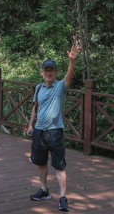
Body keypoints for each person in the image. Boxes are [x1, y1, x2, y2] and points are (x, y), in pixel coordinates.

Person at [26, 40, 81, 212]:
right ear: (42, 73)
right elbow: (35, 107)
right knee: (40, 162)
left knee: (59, 165)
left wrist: (72, 61)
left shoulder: (59, 87)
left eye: (51, 70)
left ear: (56, 72)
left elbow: (70, 76)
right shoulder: (38, 87)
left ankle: (63, 197)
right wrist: (30, 125)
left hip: (55, 131)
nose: (48, 73)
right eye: (46, 70)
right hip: (39, 131)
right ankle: (43, 190)